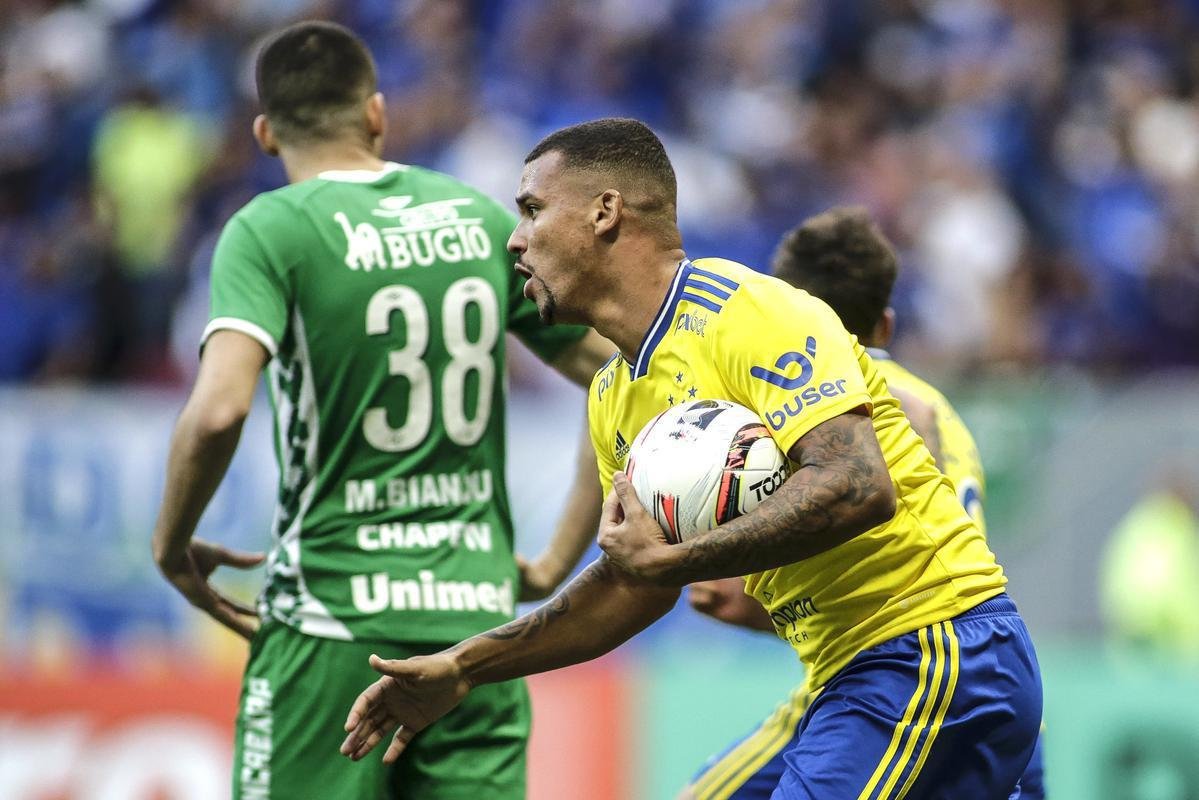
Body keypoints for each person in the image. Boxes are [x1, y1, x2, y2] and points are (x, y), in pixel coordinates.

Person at [340, 118, 1043, 799]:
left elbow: (858, 484)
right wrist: (466, 667)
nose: (515, 241)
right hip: (849, 672)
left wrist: (673, 563)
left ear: (604, 212)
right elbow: (630, 584)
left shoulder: (751, 312)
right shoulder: (614, 394)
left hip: (935, 649)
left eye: (530, 210)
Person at [149, 22, 612, 800]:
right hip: (476, 629)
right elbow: (618, 372)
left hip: (332, 623)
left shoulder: (269, 230)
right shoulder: (477, 219)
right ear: (376, 114)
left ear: (265, 134)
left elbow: (220, 408)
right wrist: (561, 555)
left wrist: (169, 547)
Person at [683, 207, 1046, 799]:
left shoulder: (827, 411)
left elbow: (720, 596)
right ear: (886, 324)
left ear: (784, 307)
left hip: (897, 672)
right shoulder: (936, 407)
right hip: (986, 674)